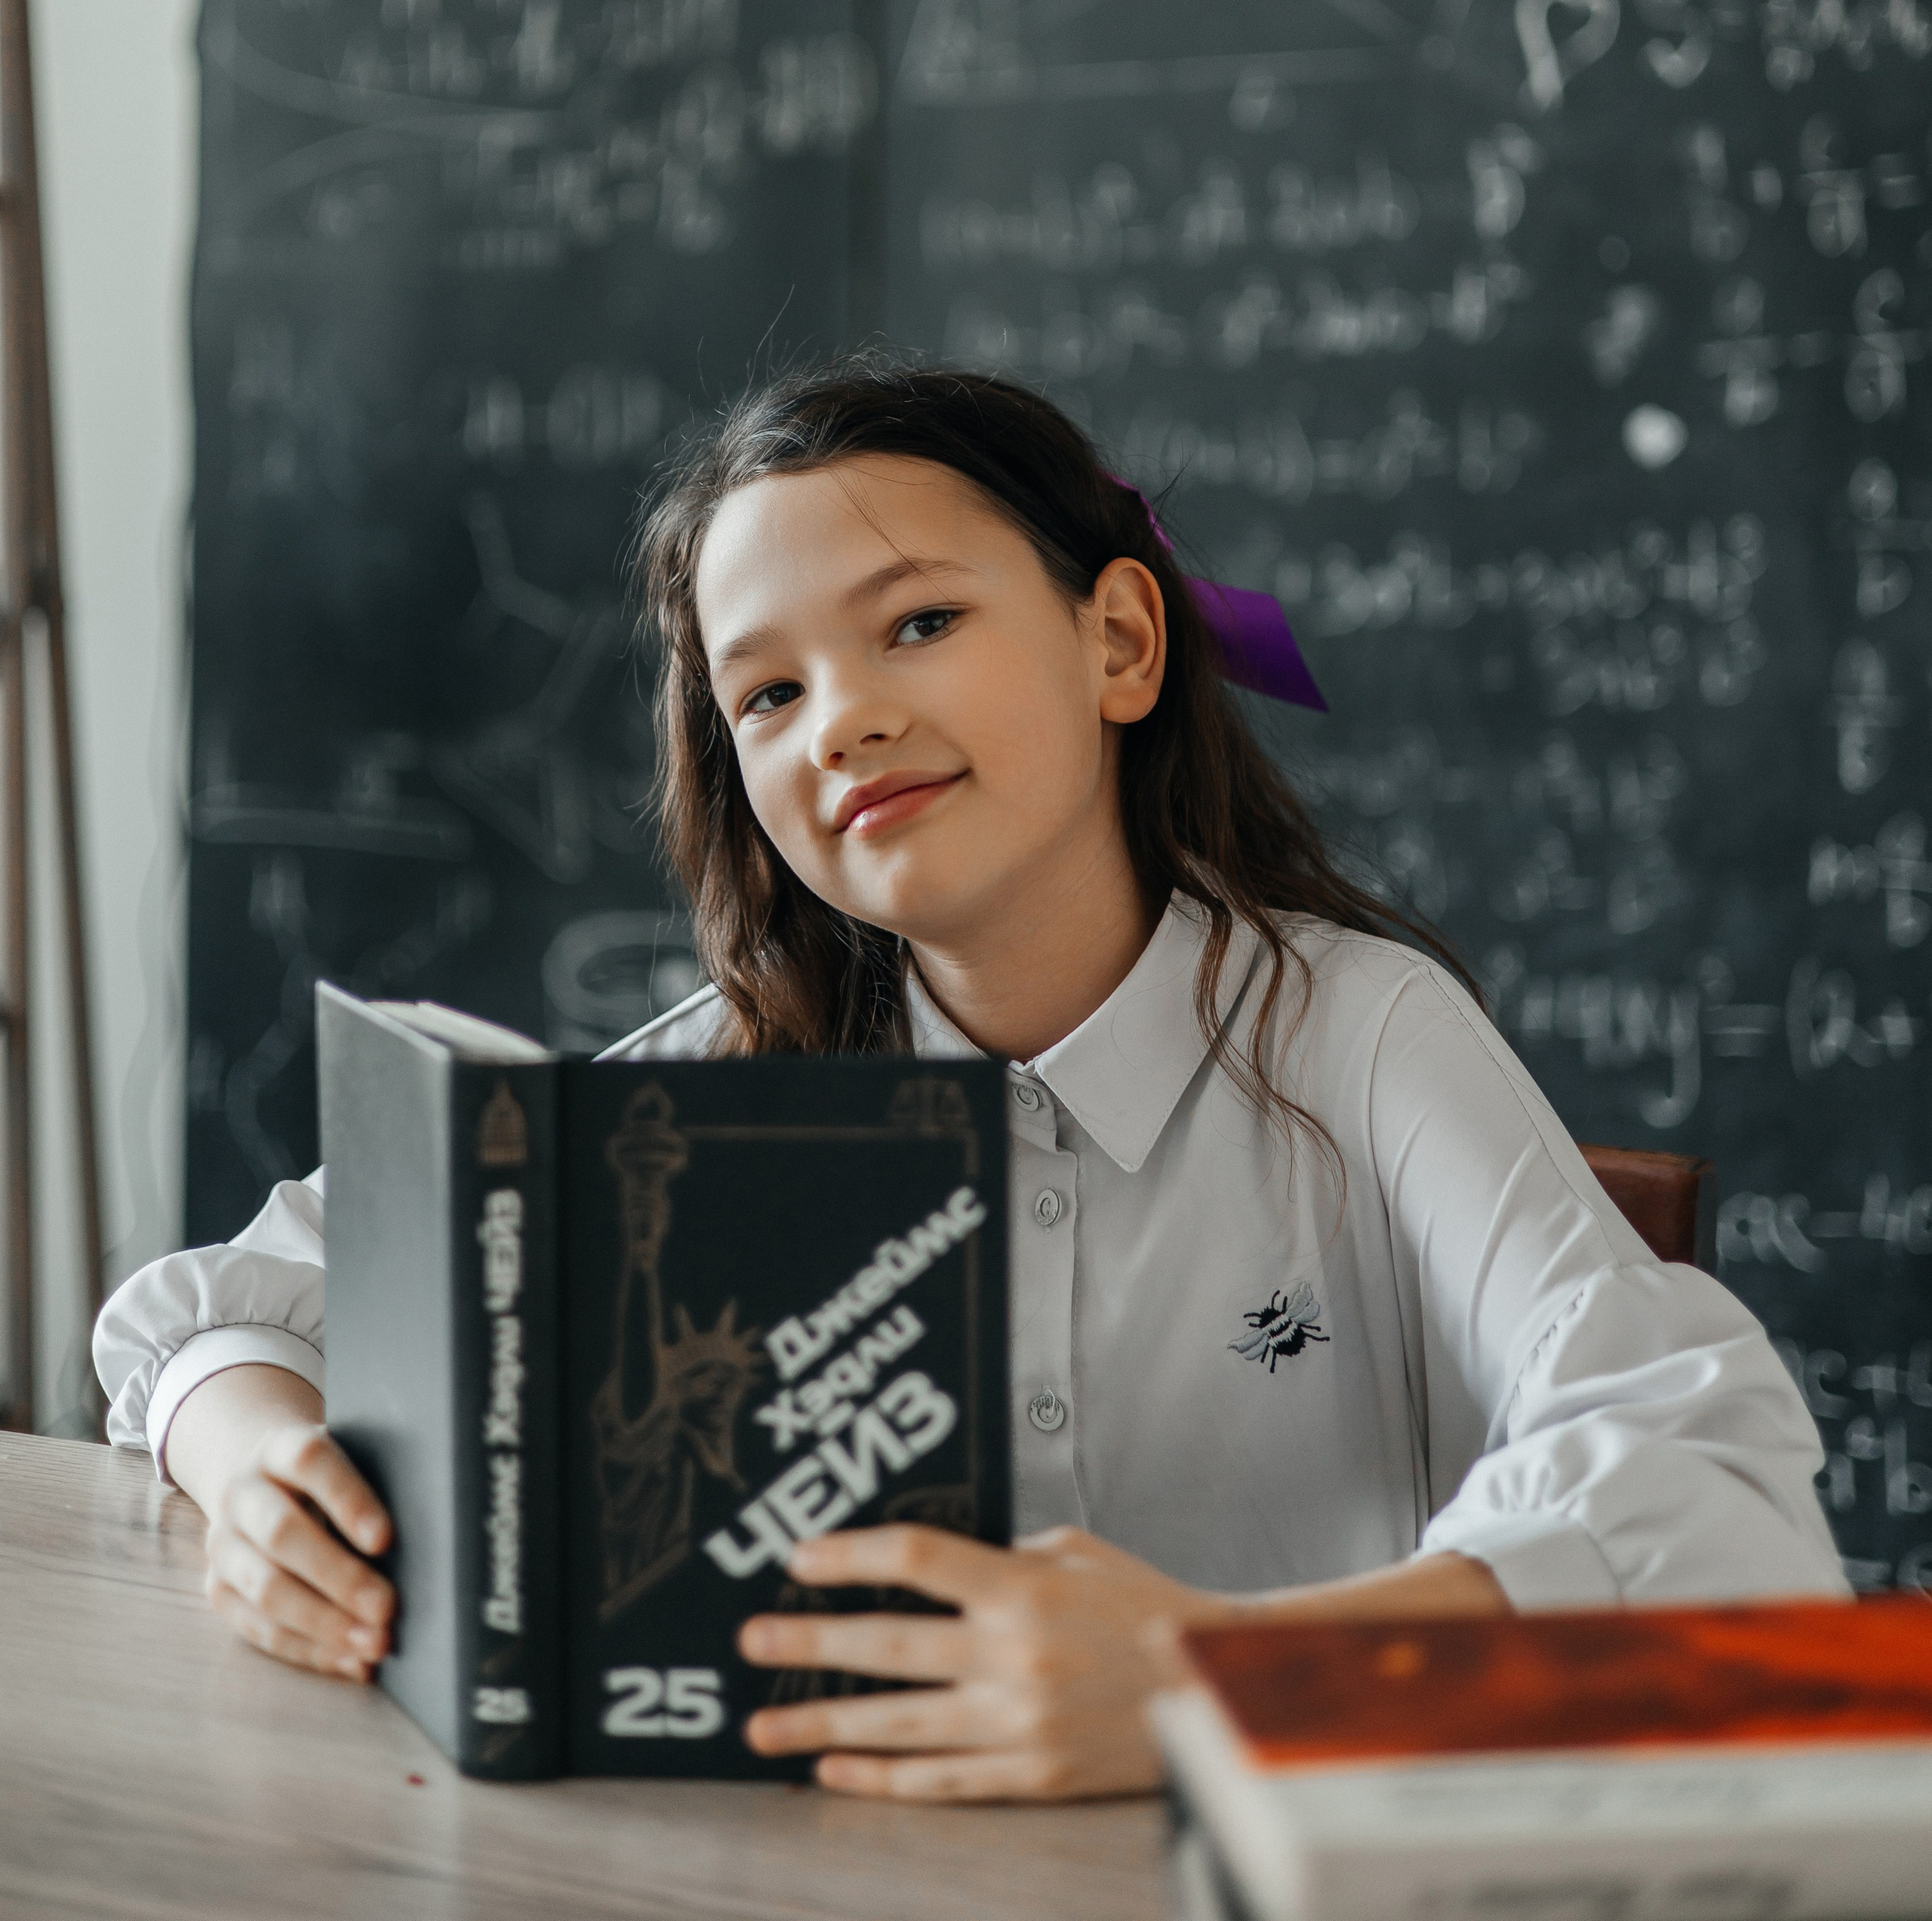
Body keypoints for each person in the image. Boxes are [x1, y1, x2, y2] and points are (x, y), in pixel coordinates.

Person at [95, 359, 1847, 1802]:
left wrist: (1204, 1679)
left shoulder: (1353, 1037)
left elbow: (1722, 1488)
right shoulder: (735, 1069)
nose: (837, 719)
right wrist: (254, 1466)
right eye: (762, 694)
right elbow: (207, 1307)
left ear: (1120, 648)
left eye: (916, 623)